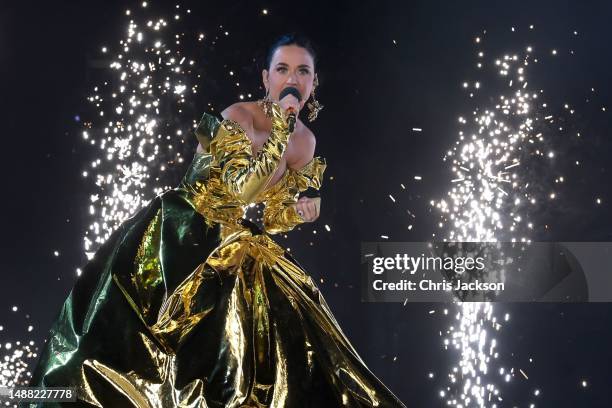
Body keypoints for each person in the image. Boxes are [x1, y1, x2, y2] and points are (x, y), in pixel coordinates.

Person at [28, 34, 406, 408]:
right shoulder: (236, 116)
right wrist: (279, 131)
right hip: (179, 235)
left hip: (232, 240)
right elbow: (238, 190)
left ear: (314, 82)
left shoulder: (305, 142)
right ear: (265, 78)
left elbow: (272, 216)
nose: (292, 79)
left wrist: (301, 211)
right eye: (282, 69)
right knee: (135, 353)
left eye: (303, 71)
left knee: (286, 319)